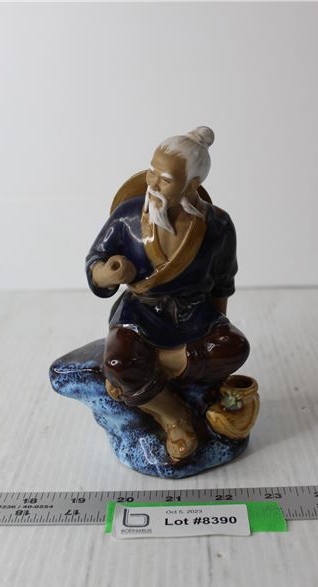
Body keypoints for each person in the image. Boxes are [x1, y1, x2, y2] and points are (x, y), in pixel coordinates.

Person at [85, 126, 249, 461]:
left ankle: (142, 372)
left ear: (193, 184)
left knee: (234, 347)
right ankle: (174, 416)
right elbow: (95, 262)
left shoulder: (217, 226)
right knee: (116, 361)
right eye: (152, 171)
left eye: (166, 179)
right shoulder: (128, 217)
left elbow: (222, 283)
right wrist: (108, 273)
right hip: (139, 313)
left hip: (193, 315)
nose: (154, 184)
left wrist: (217, 328)